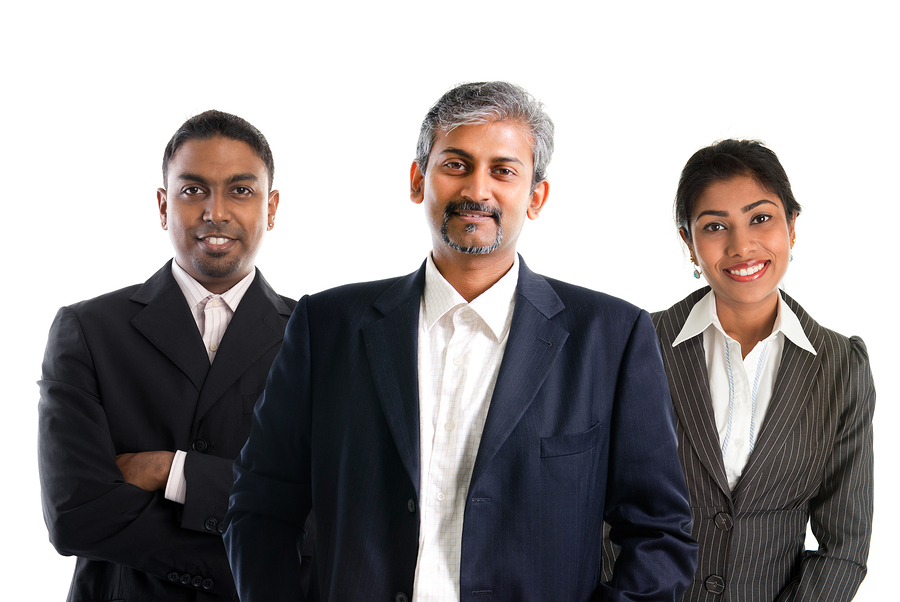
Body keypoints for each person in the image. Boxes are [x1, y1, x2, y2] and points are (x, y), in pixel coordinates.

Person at [224, 81, 697, 601]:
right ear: (417, 179)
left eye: (503, 170)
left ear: (535, 196)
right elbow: (260, 506)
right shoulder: (327, 325)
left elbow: (659, 533)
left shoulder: (611, 337)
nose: (478, 189)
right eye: (456, 164)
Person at [38, 110, 309, 600]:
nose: (215, 211)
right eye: (193, 190)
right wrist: (252, 552)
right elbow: (73, 515)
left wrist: (172, 471)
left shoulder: (315, 337)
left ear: (271, 208)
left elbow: (328, 516)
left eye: (240, 191)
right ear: (163, 206)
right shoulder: (89, 331)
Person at [652, 139, 874, 600]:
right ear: (689, 245)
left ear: (792, 227)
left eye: (760, 218)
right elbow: (594, 508)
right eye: (715, 226)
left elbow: (844, 545)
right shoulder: (636, 347)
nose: (741, 245)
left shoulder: (840, 366)